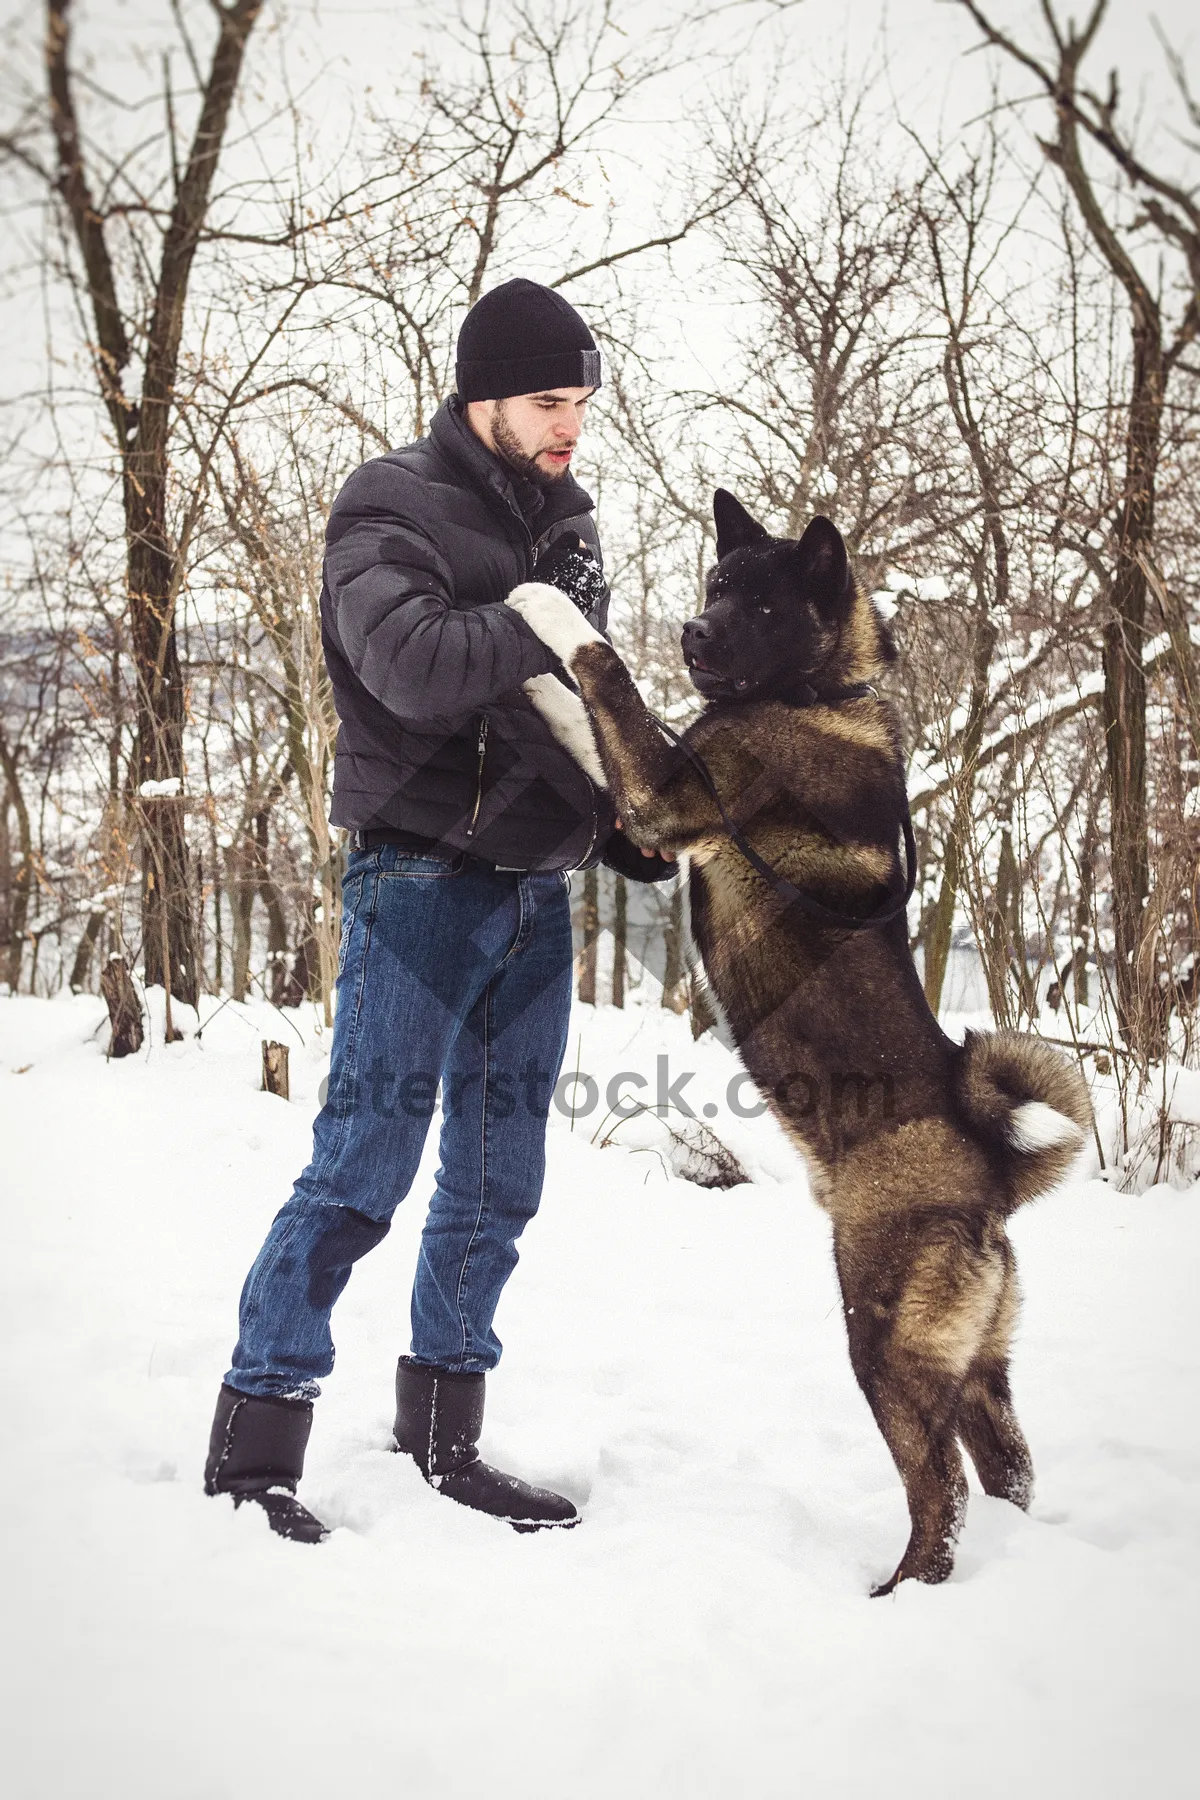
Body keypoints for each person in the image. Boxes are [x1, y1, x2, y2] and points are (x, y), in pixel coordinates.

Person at [203, 278, 673, 1542]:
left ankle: (443, 1431)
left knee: (497, 1181)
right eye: (547, 401)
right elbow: (410, 669)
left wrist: (623, 815)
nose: (571, 426)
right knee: (363, 1170)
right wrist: (543, 614)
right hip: (417, 884)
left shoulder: (566, 525)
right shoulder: (388, 502)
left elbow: (567, 713)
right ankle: (257, 1440)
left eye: (580, 401)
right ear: (483, 398)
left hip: (535, 889)